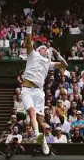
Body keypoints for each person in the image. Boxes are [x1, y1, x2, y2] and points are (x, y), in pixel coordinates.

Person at [21, 17, 68, 154]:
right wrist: (29, 27)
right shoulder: (33, 55)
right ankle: (37, 135)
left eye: (46, 50)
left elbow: (64, 65)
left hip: (39, 92)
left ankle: (44, 142)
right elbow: (28, 42)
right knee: (32, 112)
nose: (45, 50)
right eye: (43, 48)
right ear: (39, 50)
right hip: (27, 90)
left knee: (41, 120)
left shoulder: (49, 63)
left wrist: (57, 54)